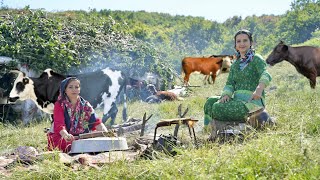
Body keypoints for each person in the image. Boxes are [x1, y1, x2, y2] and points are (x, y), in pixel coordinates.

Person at [203, 29, 272, 131]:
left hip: (251, 103)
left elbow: (265, 74)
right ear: (235, 45)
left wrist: (259, 89)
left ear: (251, 43)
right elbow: (230, 83)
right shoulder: (235, 64)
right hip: (237, 100)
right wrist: (226, 95)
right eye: (238, 41)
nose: (242, 44)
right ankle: (209, 132)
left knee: (217, 107)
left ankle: (226, 128)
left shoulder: (256, 59)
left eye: (245, 40)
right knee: (210, 101)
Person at [47, 77, 109, 153]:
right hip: (62, 136)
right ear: (65, 90)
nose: (74, 89)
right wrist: (67, 136)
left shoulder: (86, 105)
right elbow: (60, 125)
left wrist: (107, 134)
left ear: (79, 90)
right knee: (68, 144)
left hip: (82, 136)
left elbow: (96, 122)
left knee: (97, 140)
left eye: (76, 87)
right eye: (70, 87)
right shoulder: (59, 105)